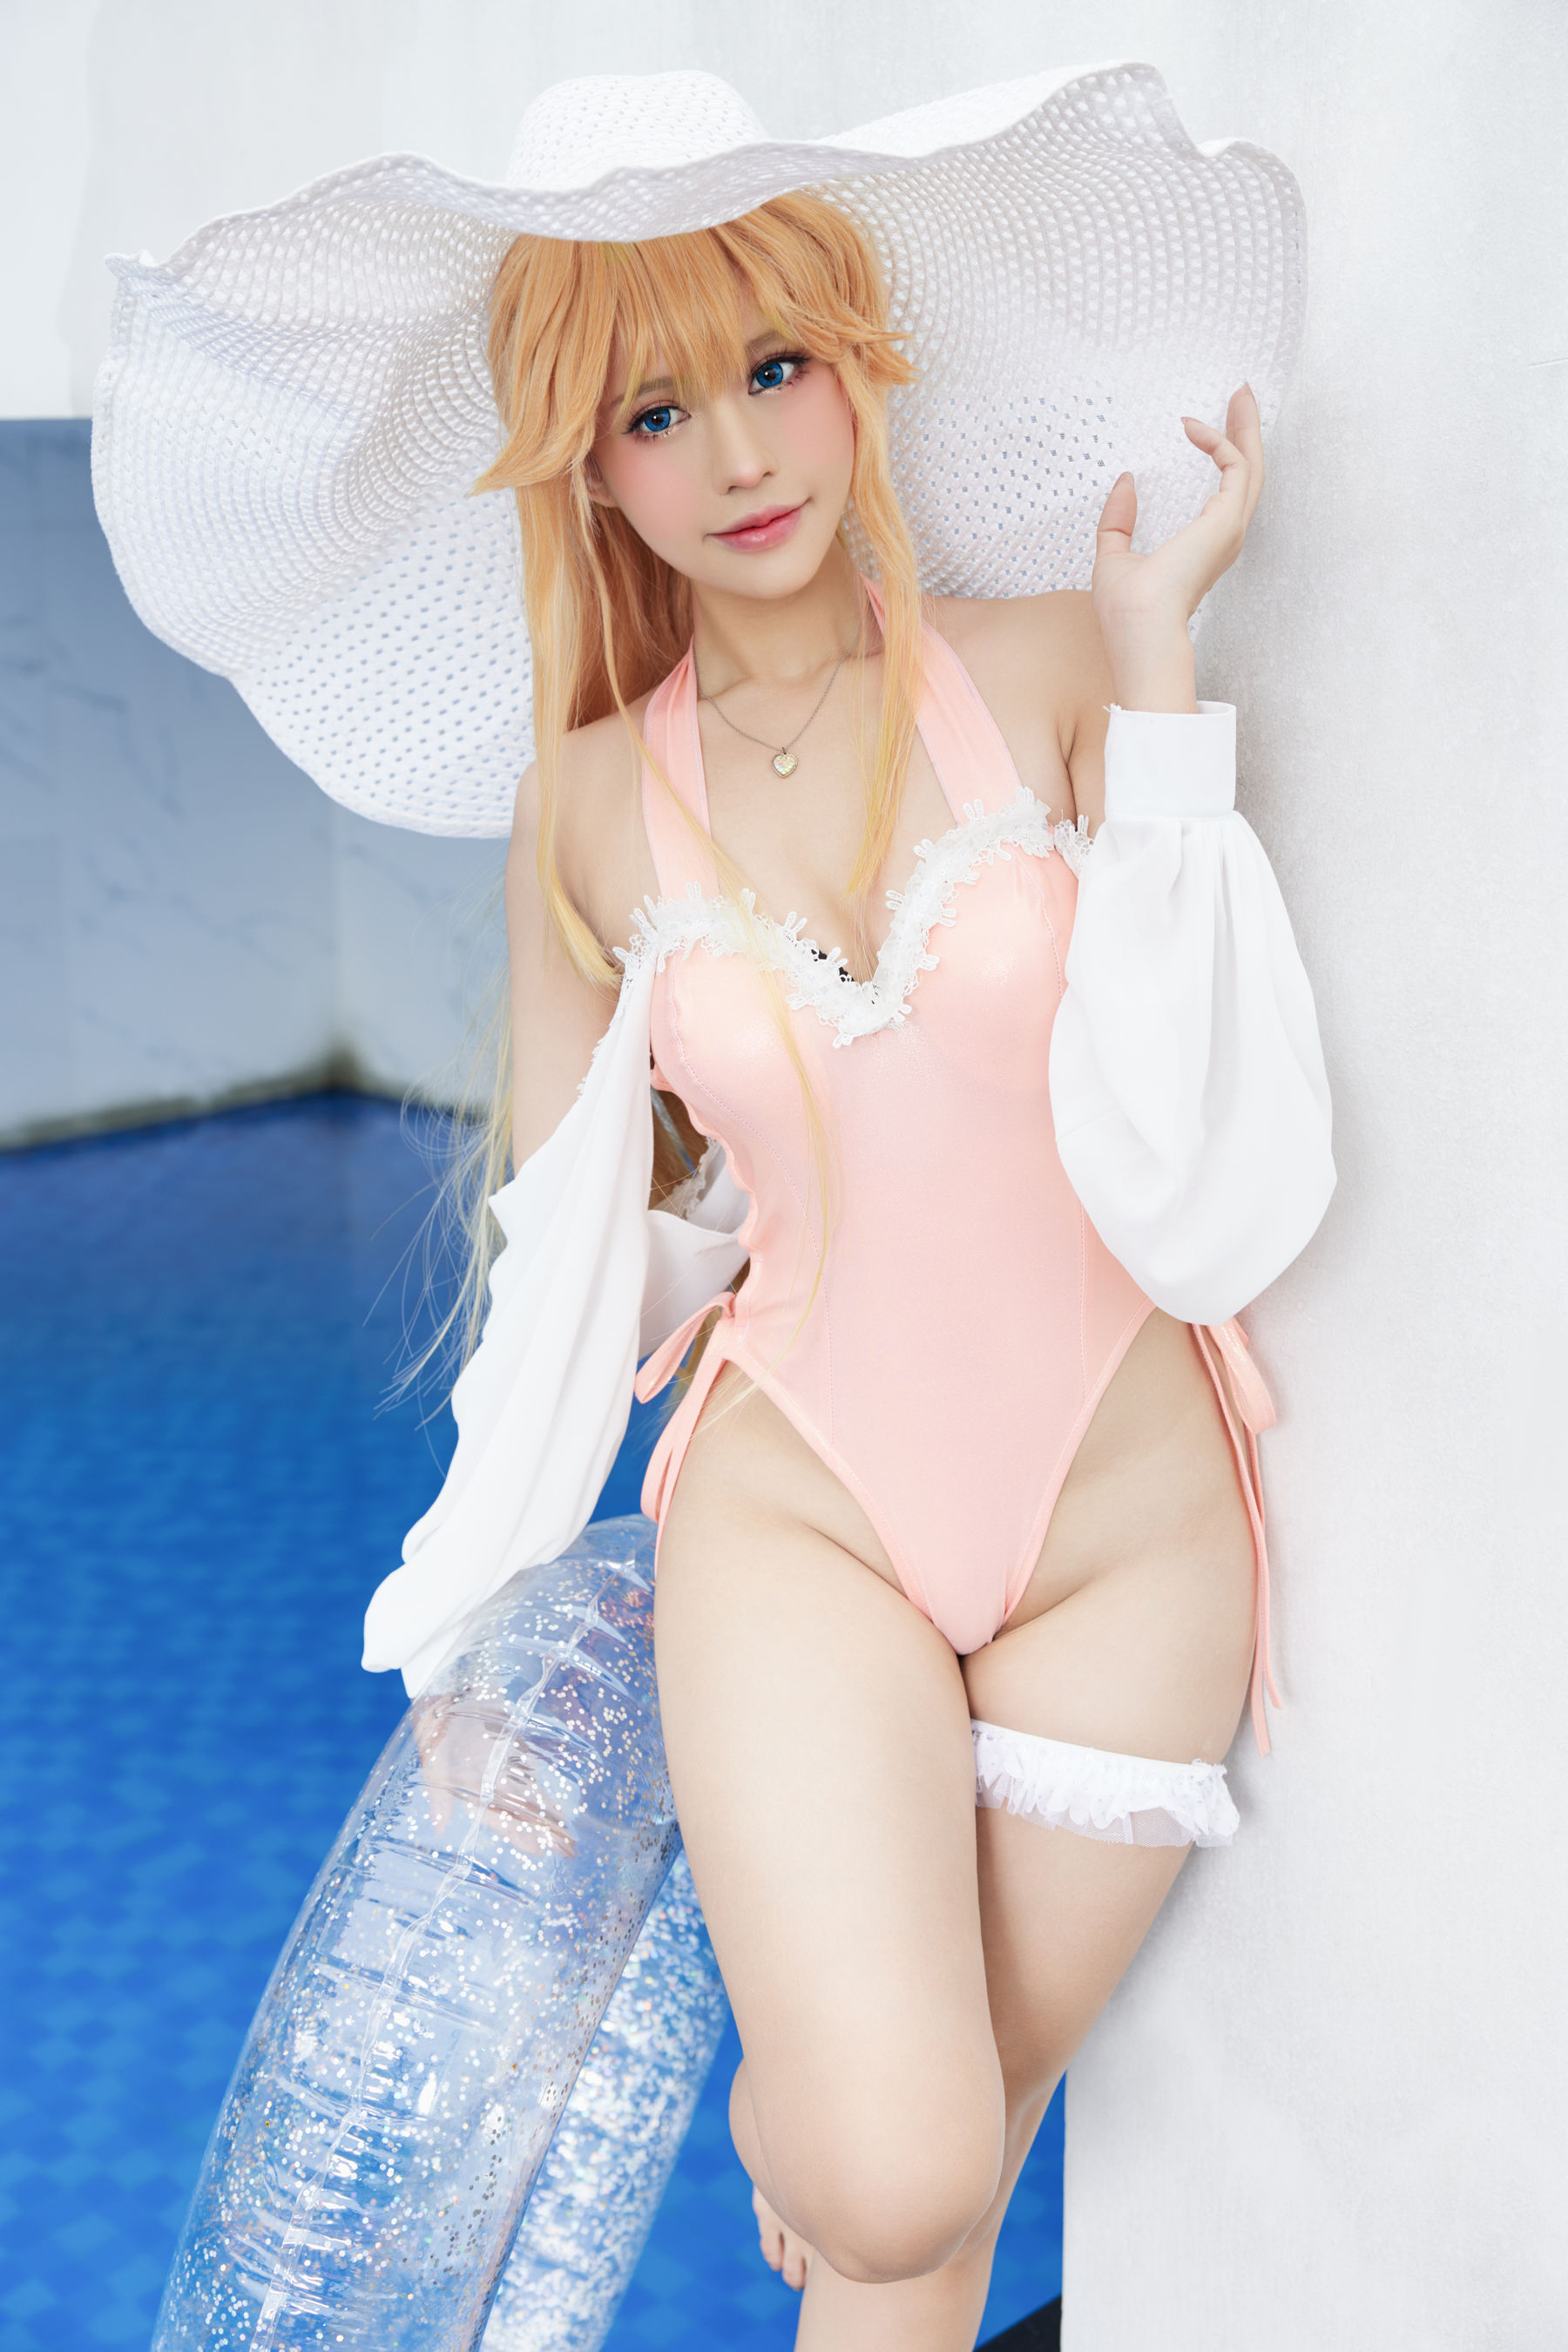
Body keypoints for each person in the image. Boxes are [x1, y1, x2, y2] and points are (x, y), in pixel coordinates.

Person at [95, 64, 1334, 2350]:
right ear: (591, 468)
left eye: (776, 367)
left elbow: (1213, 1169)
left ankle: (840, 2166)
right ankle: (820, 2124)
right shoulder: (584, 805)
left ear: (864, 368)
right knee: (900, 2167)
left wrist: (1164, 667)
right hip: (805, 1509)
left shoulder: (1055, 664)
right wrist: (460, 1615)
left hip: (1129, 1528)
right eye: (657, 412)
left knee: (920, 2220)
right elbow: (565, 1251)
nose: (740, 452)